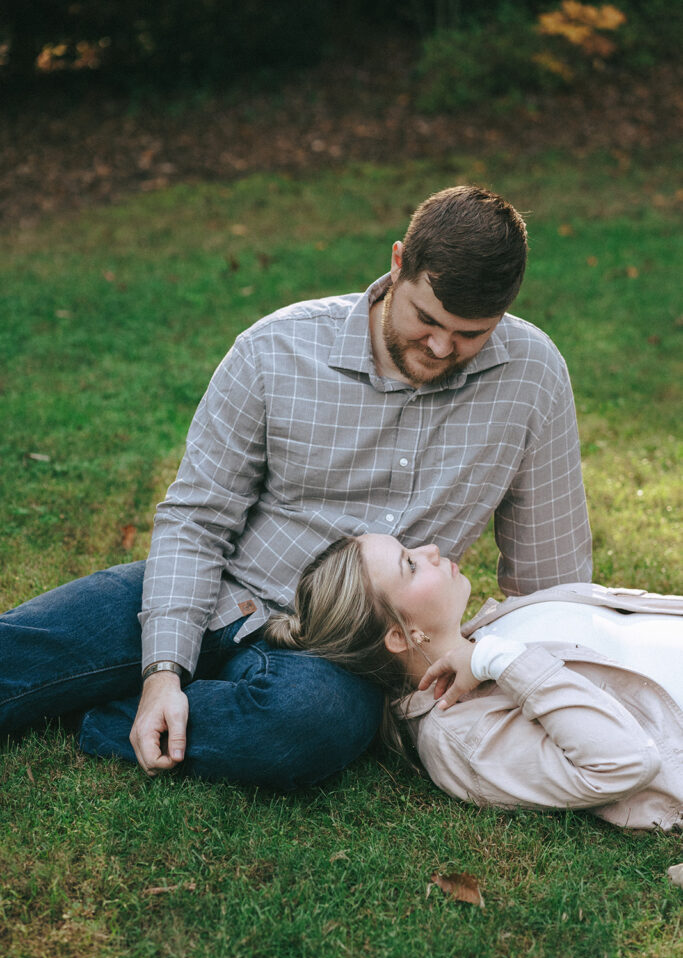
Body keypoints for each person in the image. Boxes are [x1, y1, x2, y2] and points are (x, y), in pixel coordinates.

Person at [1, 185, 592, 789]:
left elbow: (551, 578)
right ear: (396, 266)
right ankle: (157, 694)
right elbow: (197, 520)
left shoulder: (533, 375)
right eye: (428, 320)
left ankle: (109, 717)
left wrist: (551, 687)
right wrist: (161, 669)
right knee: (15, 652)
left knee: (306, 727)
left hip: (338, 657)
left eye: (471, 334)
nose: (442, 347)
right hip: (224, 589)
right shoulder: (275, 349)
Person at [266, 534, 683, 830]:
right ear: (403, 635)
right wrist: (495, 660)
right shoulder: (461, 734)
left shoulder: (485, 631)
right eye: (409, 565)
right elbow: (623, 764)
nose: (429, 549)